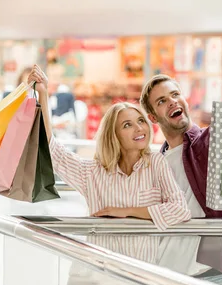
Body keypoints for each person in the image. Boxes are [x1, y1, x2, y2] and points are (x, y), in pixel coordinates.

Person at [140, 21, 222, 285]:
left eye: (175, 94)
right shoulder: (154, 162)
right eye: (162, 101)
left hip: (210, 275)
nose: (173, 101)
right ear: (153, 117)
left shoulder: (207, 142)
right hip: (164, 278)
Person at [27, 64, 191, 259]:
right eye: (127, 125)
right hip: (99, 273)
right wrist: (43, 94)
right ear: (114, 135)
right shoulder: (92, 172)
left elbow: (180, 210)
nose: (139, 129)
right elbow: (51, 150)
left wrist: (126, 212)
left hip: (143, 276)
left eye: (140, 121)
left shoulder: (156, 163)